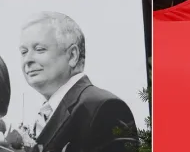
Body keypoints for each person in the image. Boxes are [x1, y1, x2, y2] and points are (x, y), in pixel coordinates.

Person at [20, 12, 138, 151]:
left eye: (39, 49)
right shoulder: (44, 113)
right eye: (23, 52)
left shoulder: (106, 107)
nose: (27, 60)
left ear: (72, 55)